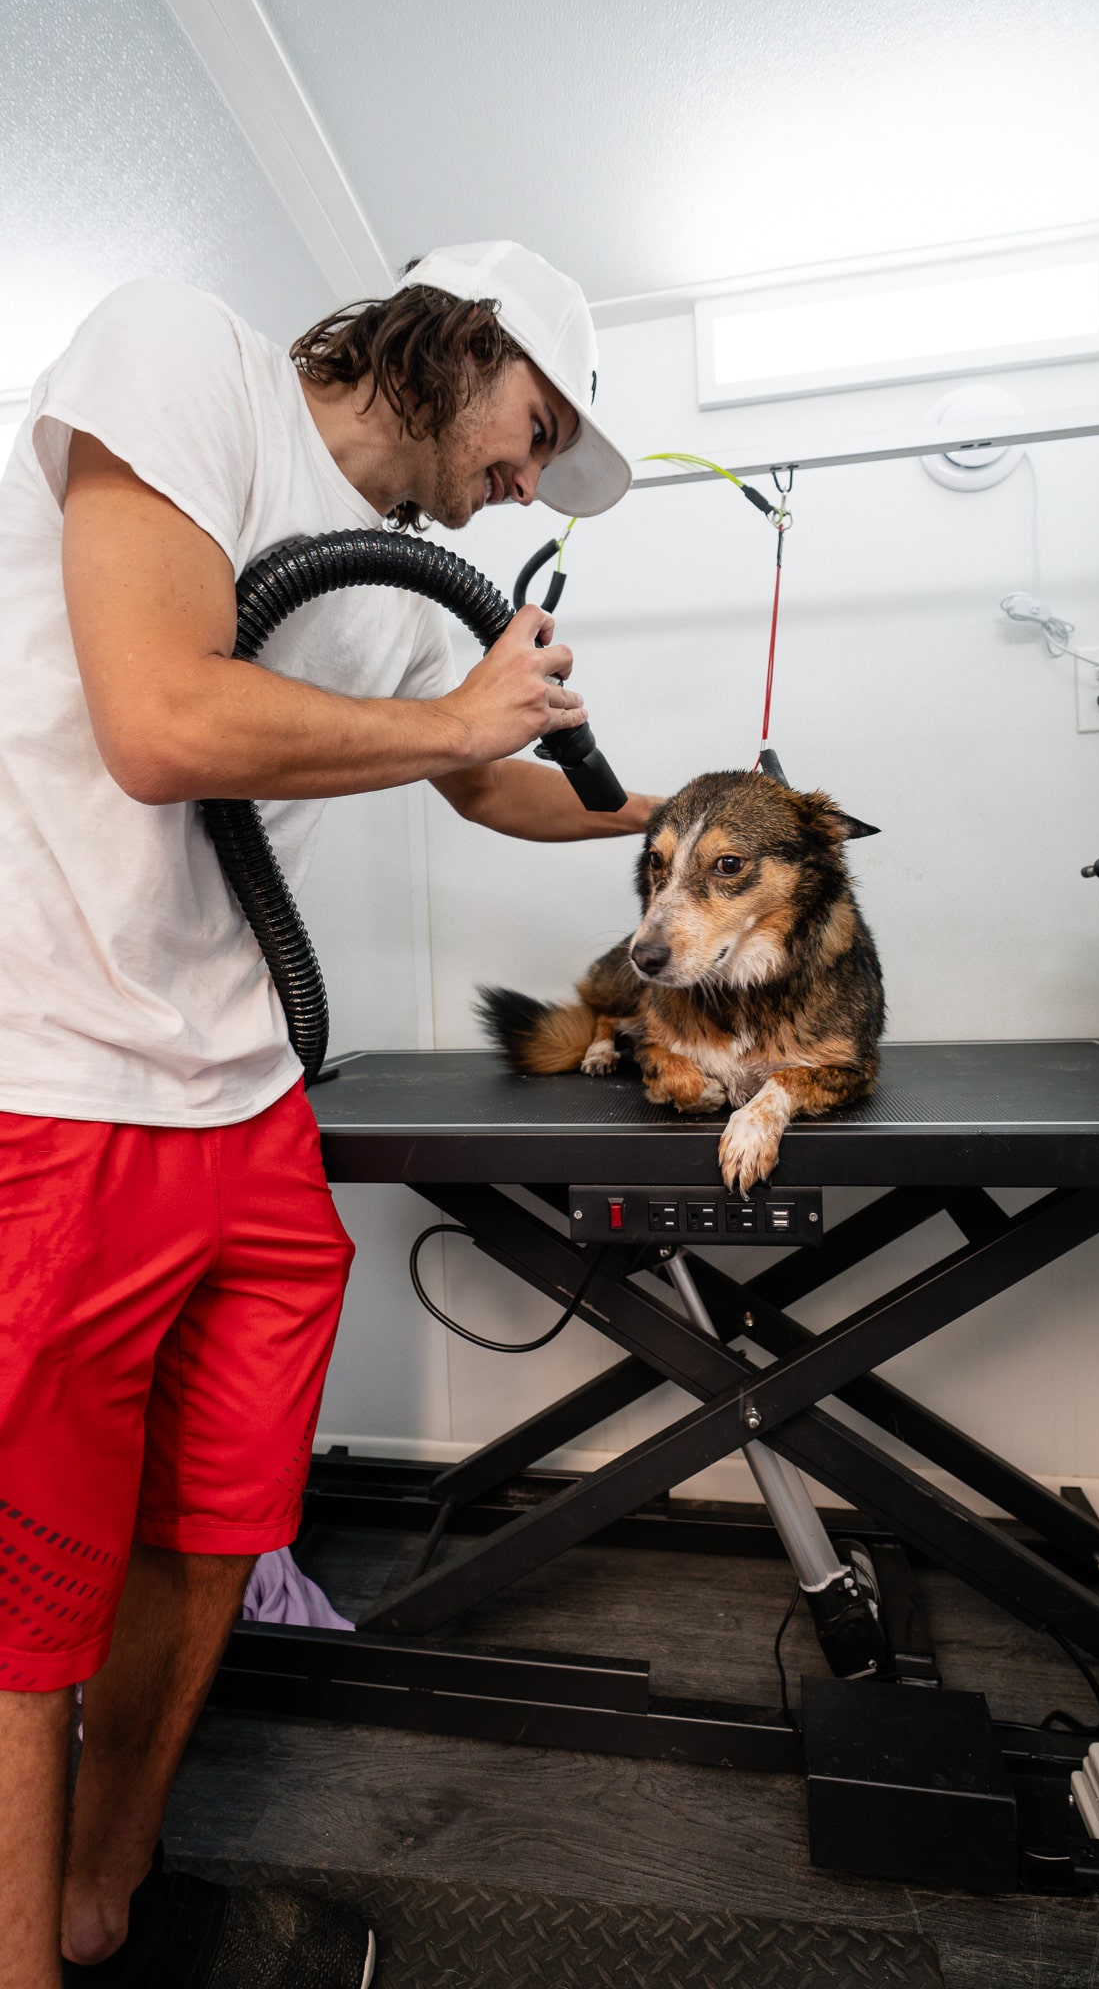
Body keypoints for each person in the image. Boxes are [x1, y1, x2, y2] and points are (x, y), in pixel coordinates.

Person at [0, 240, 656, 1989]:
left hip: (252, 1105)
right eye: (539, 423)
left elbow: (483, 783)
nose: (532, 472)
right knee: (31, 1593)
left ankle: (101, 1895)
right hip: (63, 1083)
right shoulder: (178, 352)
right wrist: (448, 709)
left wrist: (693, 812)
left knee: (216, 1528)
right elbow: (156, 720)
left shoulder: (395, 588)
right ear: (463, 337)